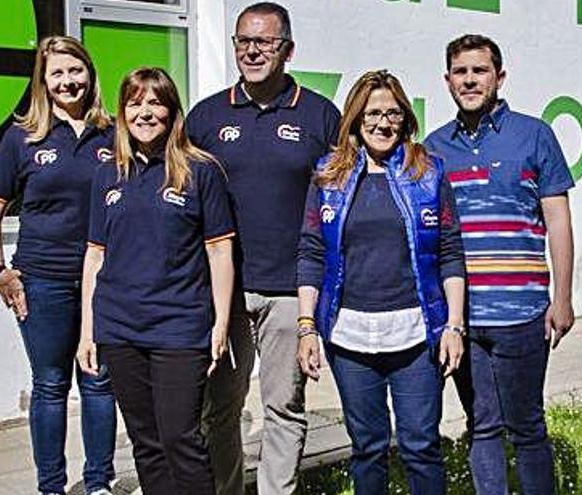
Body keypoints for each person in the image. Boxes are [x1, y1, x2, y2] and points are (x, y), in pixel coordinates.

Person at [185, 2, 340, 493]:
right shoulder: (206, 117)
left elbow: (339, 201)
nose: (252, 51)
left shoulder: (319, 115)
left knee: (284, 408)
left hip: (290, 292)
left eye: (264, 42)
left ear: (287, 50)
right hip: (221, 292)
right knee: (220, 408)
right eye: (243, 41)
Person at [296, 69, 466, 495]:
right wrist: (306, 327)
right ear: (355, 118)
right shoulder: (327, 176)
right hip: (349, 338)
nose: (382, 122)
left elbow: (449, 253)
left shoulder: (428, 173)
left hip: (415, 335)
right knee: (367, 448)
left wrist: (454, 325)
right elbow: (312, 252)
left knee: (421, 446)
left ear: (405, 118)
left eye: (392, 113)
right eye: (372, 113)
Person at [424, 34, 576, 495]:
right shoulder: (433, 148)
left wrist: (563, 298)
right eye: (460, 72)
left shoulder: (533, 135)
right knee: (482, 424)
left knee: (527, 426)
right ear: (447, 80)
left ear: (499, 77)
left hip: (523, 311)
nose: (470, 80)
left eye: (480, 70)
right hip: (462, 317)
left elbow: (558, 219)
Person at [76, 67, 236, 495]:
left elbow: (220, 251)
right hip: (119, 327)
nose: (144, 112)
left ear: (171, 110)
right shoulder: (108, 173)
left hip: (179, 326)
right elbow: (95, 254)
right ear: (122, 111)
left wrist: (220, 323)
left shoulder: (200, 171)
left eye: (155, 102)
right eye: (134, 102)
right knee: (145, 443)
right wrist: (87, 332)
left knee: (180, 438)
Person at [0, 35, 116, 495]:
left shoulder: (114, 134)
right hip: (44, 281)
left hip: (105, 282)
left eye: (75, 70)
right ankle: (51, 487)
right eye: (57, 73)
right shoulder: (23, 137)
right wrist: (0, 272)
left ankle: (98, 483)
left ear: (90, 74)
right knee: (51, 385)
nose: (67, 81)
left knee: (97, 380)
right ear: (44, 81)